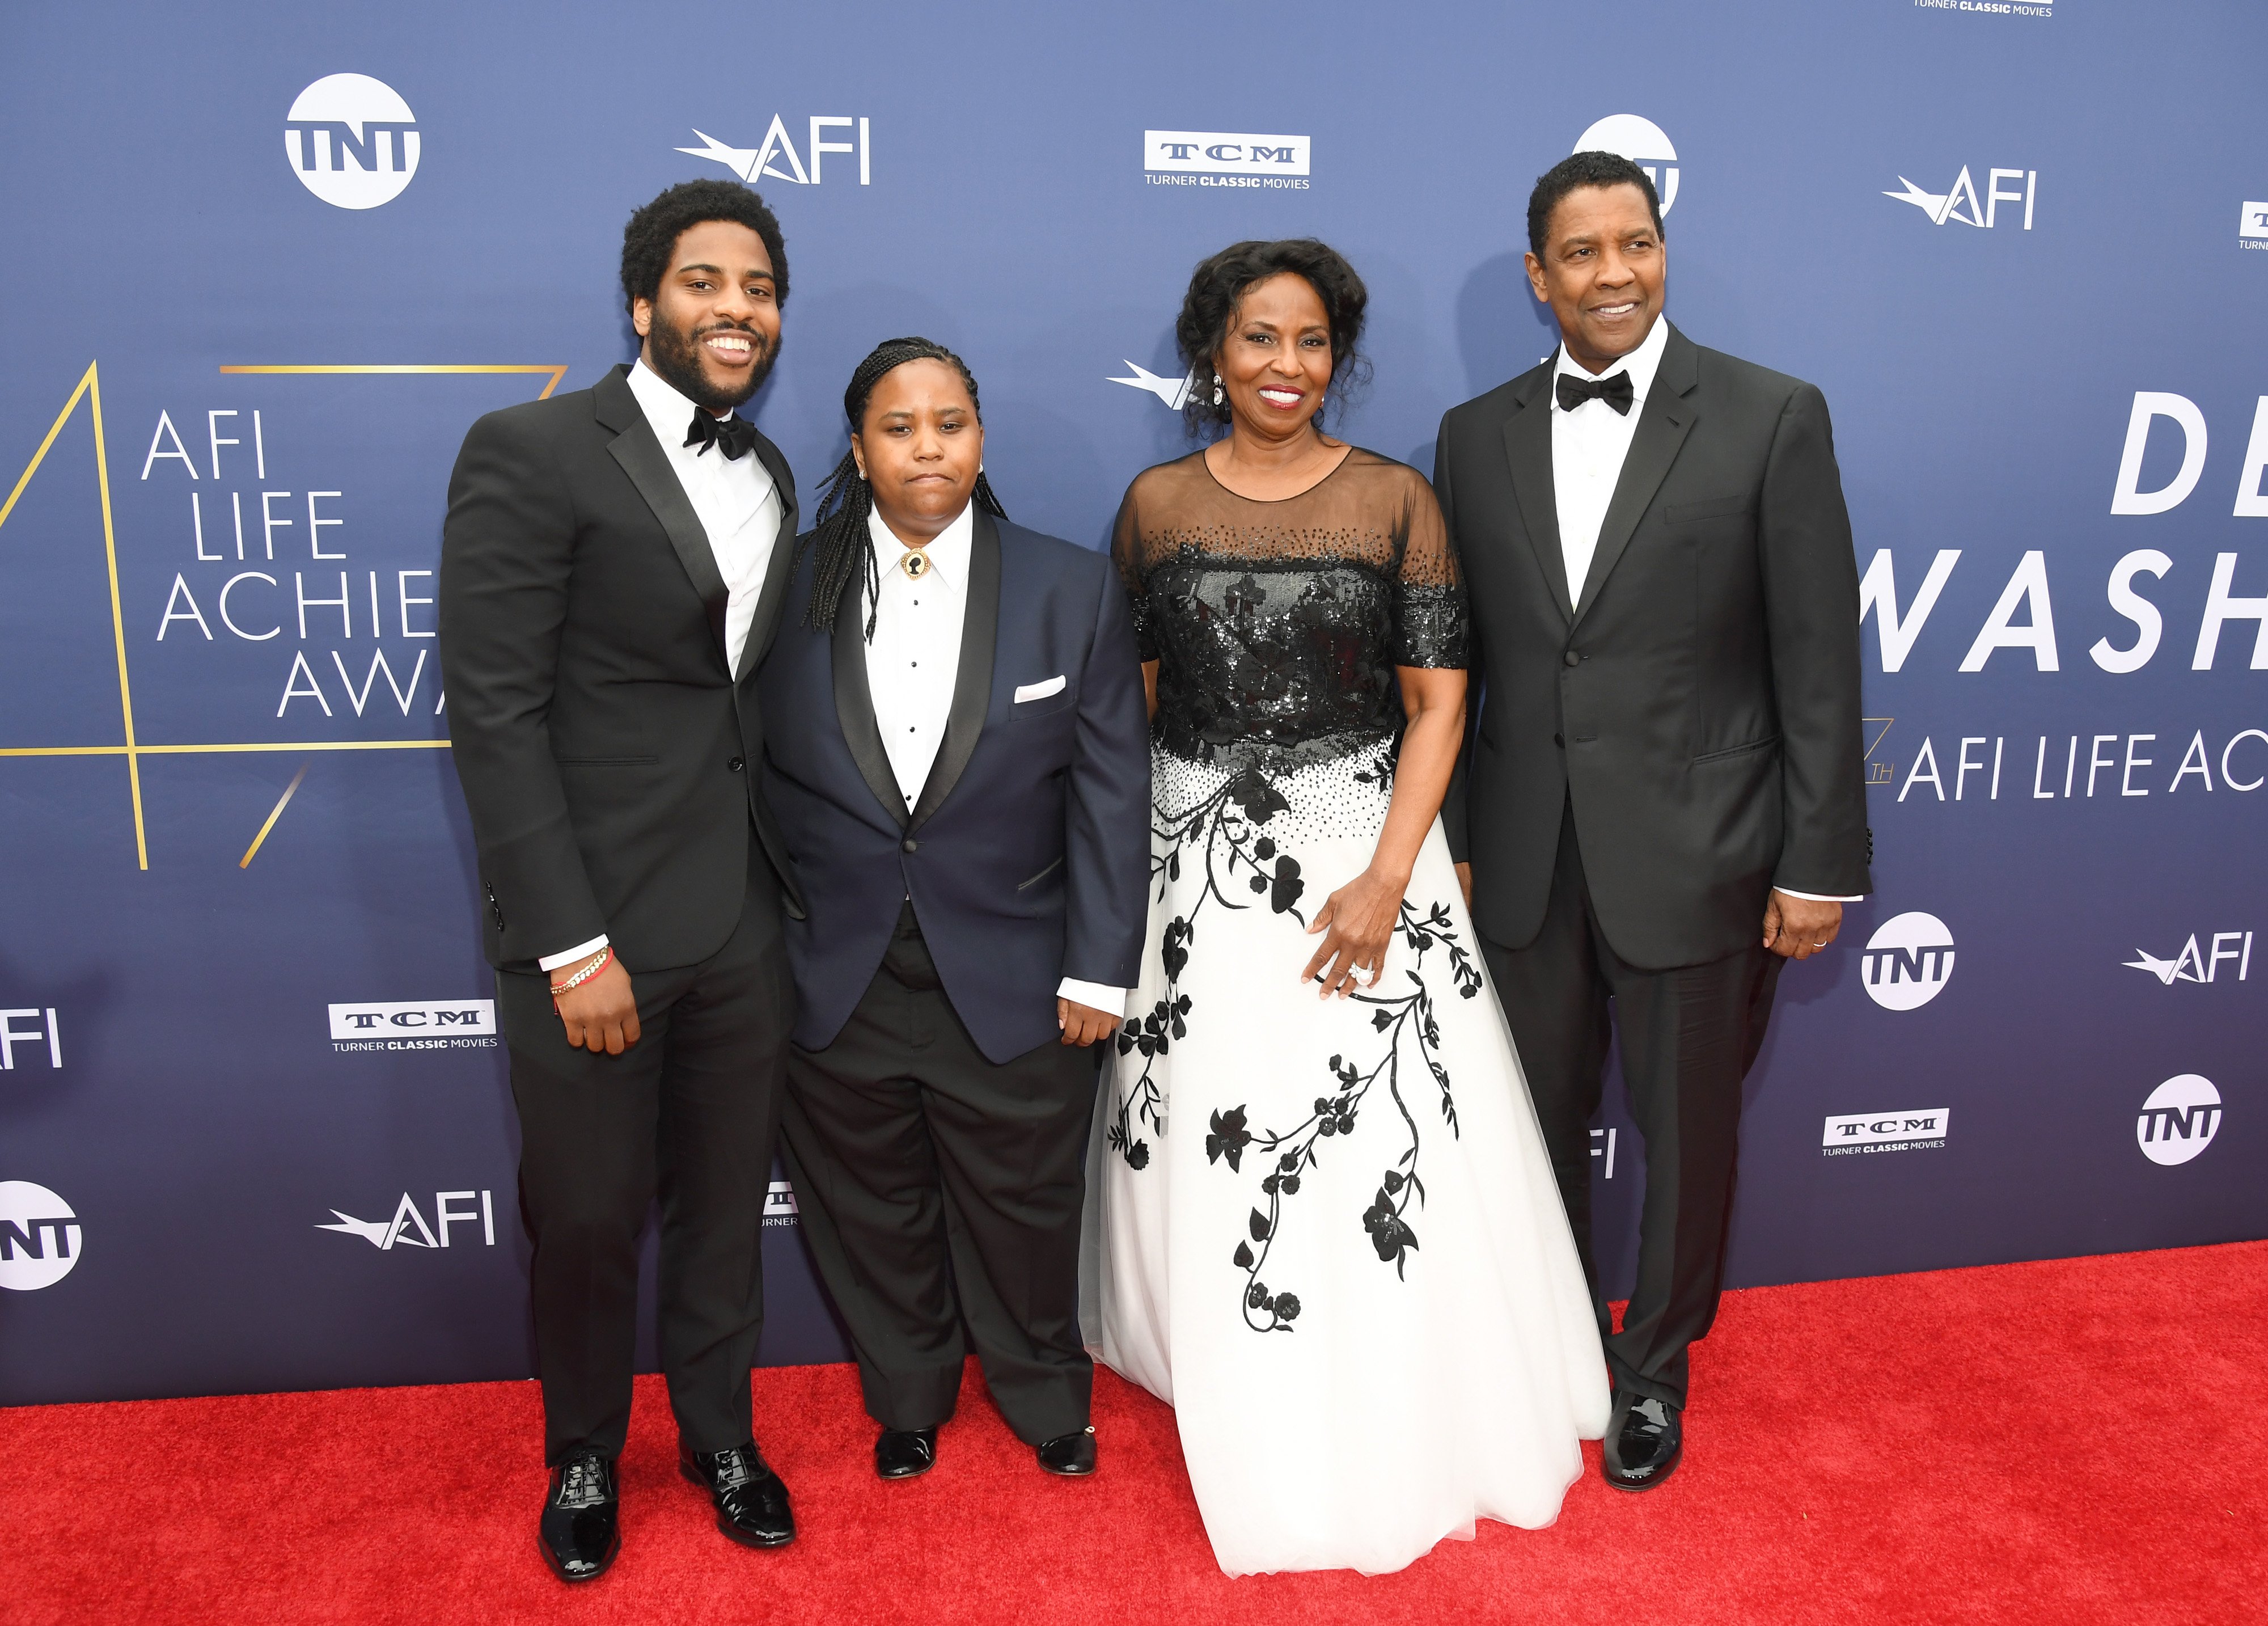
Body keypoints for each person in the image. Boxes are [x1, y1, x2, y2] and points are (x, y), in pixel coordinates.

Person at [1081, 239, 1609, 1577]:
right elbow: (1131, 705)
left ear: (1336, 357)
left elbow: (1439, 703)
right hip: (1197, 867)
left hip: (1363, 858)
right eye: (1258, 338)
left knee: (1380, 1135)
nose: (1284, 366)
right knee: (1214, 1124)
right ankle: (1228, 1347)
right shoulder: (1151, 507)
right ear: (1213, 351)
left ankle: (1390, 1367)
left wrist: (1383, 877)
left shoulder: (1393, 503)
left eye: (1310, 341)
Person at [1433, 151, 1871, 1492]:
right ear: (1537, 277)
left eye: (1633, 244)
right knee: (1533, 1123)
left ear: (1662, 254)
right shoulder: (1471, 434)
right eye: (1579, 252)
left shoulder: (1767, 415)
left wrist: (1818, 861)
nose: (1610, 272)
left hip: (1703, 850)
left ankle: (1653, 1370)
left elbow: (1813, 660)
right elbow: (1456, 662)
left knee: (1686, 1140)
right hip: (1521, 855)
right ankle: (1560, 1346)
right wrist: (1452, 829)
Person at [438, 179, 806, 1583]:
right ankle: (583, 1451)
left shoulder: (767, 475)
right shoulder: (530, 451)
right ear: (641, 302)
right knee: (588, 1218)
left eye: (760, 288)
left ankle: (721, 1436)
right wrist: (568, 944)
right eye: (706, 283)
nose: (737, 311)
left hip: (739, 922)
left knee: (722, 1208)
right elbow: (496, 715)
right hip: (593, 930)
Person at [756, 339, 1149, 1483]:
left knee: (1026, 1208)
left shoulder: (1066, 585)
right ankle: (909, 1392)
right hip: (837, 972)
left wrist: (1099, 965)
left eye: (950, 423)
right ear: (857, 447)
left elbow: (1111, 788)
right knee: (868, 1209)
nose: (927, 446)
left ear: (979, 438)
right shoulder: (786, 584)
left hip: (1021, 967)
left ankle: (1041, 1392)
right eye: (898, 426)